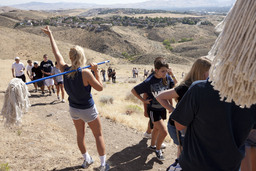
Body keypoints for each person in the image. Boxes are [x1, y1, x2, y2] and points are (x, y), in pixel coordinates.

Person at [42, 26, 109, 171]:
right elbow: (100, 88)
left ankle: (87, 160)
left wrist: (51, 35)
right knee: (98, 135)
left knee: (80, 135)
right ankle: (103, 165)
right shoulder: (86, 73)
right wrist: (96, 72)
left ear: (71, 57)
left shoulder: (64, 69)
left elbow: (56, 53)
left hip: (74, 109)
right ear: (82, 57)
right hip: (88, 109)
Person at [156, 57, 211, 159]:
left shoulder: (204, 87)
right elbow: (160, 97)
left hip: (188, 126)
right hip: (178, 126)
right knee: (184, 152)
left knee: (184, 151)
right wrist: (173, 110)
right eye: (209, 72)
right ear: (202, 72)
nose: (211, 75)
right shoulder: (186, 87)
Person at [131, 57, 175, 161]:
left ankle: (152, 146)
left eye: (166, 71)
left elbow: (169, 91)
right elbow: (134, 90)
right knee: (164, 132)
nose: (165, 73)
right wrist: (143, 100)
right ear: (156, 70)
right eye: (162, 71)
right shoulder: (149, 81)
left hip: (162, 108)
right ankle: (158, 150)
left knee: (156, 128)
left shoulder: (167, 78)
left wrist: (170, 105)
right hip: (153, 109)